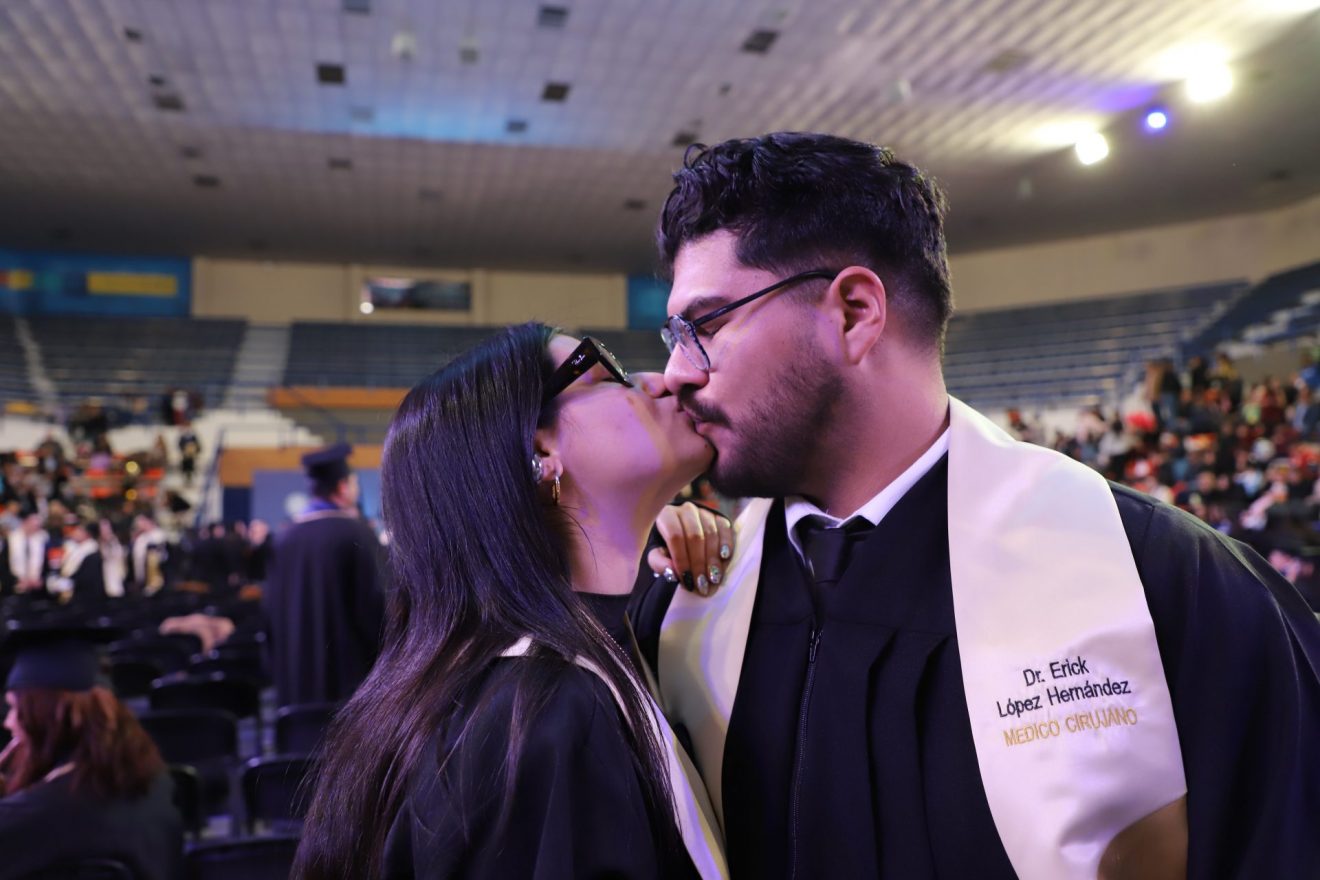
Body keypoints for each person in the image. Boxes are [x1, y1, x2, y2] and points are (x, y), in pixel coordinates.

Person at [632, 132, 1320, 879]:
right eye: (675, 335)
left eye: (705, 326)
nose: (676, 373)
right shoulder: (687, 603)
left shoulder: (1164, 579)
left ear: (855, 313)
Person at [295, 325, 726, 879]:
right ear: (541, 450)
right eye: (606, 374)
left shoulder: (575, 656)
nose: (663, 380)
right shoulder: (541, 713)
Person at [0, 627, 183, 880]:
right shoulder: (156, 782)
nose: (8, 722)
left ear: (48, 717)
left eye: (14, 708)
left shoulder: (35, 814)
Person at [265, 443, 386, 707]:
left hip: (295, 685)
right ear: (342, 487)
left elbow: (271, 612)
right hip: (348, 686)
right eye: (354, 483)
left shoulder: (284, 538)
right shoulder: (357, 534)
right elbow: (375, 609)